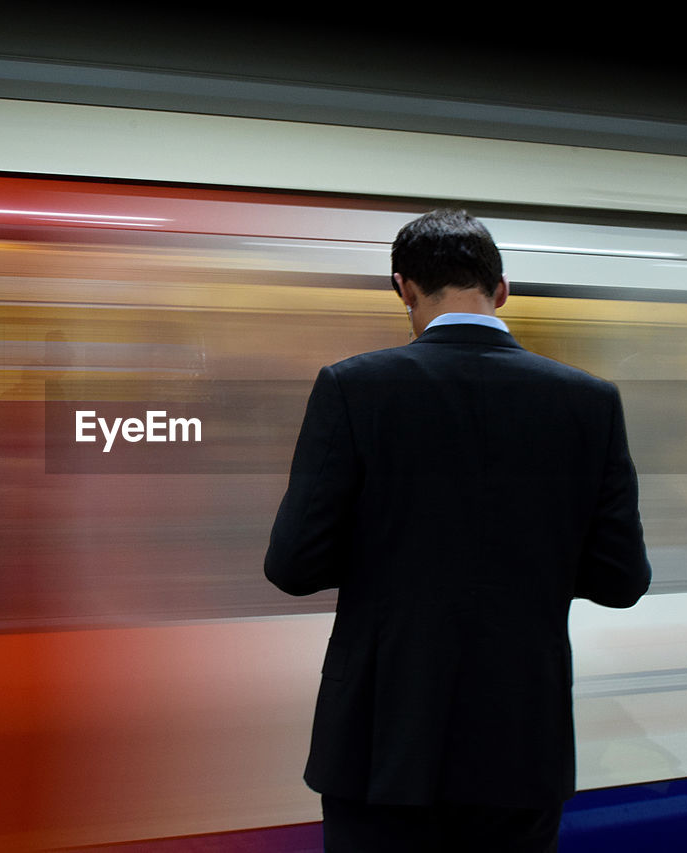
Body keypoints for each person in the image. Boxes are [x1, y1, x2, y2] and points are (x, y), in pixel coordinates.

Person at [264, 210, 651, 851]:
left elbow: (293, 566)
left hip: (382, 742)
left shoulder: (353, 388)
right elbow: (620, 580)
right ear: (501, 290)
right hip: (522, 745)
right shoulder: (589, 401)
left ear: (404, 289)